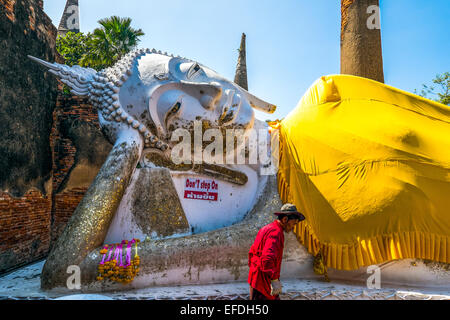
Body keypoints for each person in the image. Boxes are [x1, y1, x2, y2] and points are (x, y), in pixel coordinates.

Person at [248, 203, 305, 300]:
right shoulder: (276, 232)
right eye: (294, 223)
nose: (293, 227)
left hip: (256, 280)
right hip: (263, 285)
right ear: (285, 219)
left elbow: (251, 253)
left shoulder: (265, 229)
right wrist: (274, 280)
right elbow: (267, 259)